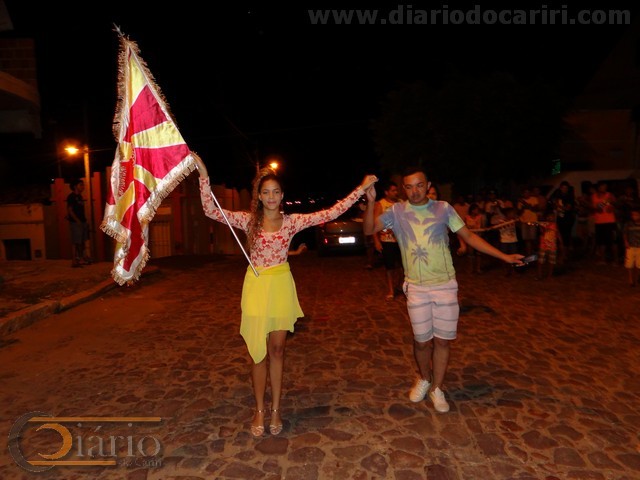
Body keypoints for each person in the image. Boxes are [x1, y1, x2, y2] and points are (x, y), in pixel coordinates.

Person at [196, 157, 377, 436]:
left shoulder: (291, 222)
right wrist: (204, 173)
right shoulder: (248, 221)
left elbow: (330, 212)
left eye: (276, 192)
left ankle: (276, 410)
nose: (271, 197)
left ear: (282, 196)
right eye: (266, 192)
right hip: (256, 287)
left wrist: (360, 189)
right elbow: (210, 209)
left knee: (278, 350)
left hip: (280, 287)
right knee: (257, 353)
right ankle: (259, 409)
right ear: (259, 196)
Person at [363, 166, 523, 413]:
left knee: (443, 341)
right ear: (404, 189)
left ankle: (437, 388)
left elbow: (469, 237)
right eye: (409, 187)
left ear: (428, 186)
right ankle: (424, 378)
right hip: (416, 287)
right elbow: (368, 229)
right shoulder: (396, 211)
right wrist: (371, 201)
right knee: (421, 342)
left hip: (445, 285)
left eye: (420, 185)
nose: (415, 191)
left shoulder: (443, 208)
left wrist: (504, 256)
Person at [373, 180, 403, 300]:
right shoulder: (381, 204)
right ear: (386, 192)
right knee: (390, 267)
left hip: (401, 241)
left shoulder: (401, 203)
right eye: (393, 190)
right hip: (387, 240)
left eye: (396, 190)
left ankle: (400, 286)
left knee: (403, 266)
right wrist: (376, 241)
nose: (396, 192)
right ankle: (391, 289)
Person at [66, 179, 91, 268]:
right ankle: (74, 261)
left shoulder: (80, 196)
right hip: (76, 223)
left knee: (82, 241)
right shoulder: (71, 197)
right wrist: (77, 221)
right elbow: (70, 210)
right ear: (75, 186)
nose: (83, 187)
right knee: (75, 241)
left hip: (82, 221)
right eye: (81, 185)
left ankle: (81, 258)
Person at [491, 206, 519, 277]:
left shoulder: (514, 221)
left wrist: (517, 220)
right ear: (508, 214)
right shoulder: (501, 221)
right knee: (504, 257)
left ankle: (513, 270)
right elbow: (495, 228)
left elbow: (519, 224)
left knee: (514, 256)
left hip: (513, 241)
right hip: (504, 241)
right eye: (512, 213)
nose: (513, 214)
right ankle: (506, 271)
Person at [550, 181, 576, 257]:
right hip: (559, 218)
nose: (564, 189)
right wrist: (554, 205)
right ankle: (561, 253)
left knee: (566, 236)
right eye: (563, 188)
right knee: (559, 236)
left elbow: (567, 208)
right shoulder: (557, 196)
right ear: (560, 188)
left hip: (568, 219)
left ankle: (565, 254)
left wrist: (558, 205)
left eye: (566, 188)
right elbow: (553, 206)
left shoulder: (570, 197)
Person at [536, 211, 563, 280]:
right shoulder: (543, 224)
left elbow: (558, 233)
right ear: (546, 217)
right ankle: (539, 275)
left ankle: (549, 275)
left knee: (551, 261)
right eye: (549, 216)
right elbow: (542, 233)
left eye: (552, 216)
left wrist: (561, 242)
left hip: (552, 246)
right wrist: (542, 227)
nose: (551, 218)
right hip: (543, 245)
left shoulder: (555, 225)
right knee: (540, 261)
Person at [623, 206, 640, 287]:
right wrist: (626, 242)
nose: (634, 216)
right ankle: (631, 280)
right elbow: (625, 233)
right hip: (631, 246)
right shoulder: (628, 224)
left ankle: (638, 277)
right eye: (633, 215)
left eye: (636, 214)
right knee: (629, 263)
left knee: (639, 264)